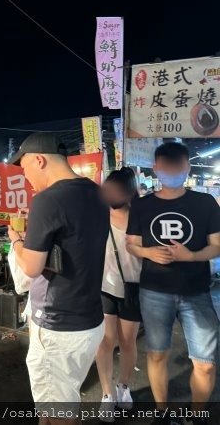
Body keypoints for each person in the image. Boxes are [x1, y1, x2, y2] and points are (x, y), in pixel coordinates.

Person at [7, 132, 109, 425]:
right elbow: (74, 243)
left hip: (57, 325)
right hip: (89, 320)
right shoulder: (95, 192)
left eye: (25, 168)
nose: (26, 177)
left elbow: (31, 267)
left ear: (39, 160)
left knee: (59, 414)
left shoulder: (48, 200)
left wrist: (16, 241)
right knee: (56, 405)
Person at [126, 142, 220, 423]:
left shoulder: (205, 203)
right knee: (156, 355)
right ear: (155, 169)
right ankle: (162, 412)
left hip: (197, 291)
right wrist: (148, 252)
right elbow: (131, 244)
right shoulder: (142, 205)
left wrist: (191, 256)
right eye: (165, 167)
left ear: (187, 168)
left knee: (204, 363)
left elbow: (217, 245)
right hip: (155, 291)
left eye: (176, 167)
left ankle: (196, 416)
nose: (171, 172)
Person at [95, 168, 142, 421]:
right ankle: (106, 393)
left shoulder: (141, 218)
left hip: (133, 288)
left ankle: (123, 385)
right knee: (105, 340)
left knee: (127, 341)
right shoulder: (99, 216)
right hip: (104, 287)